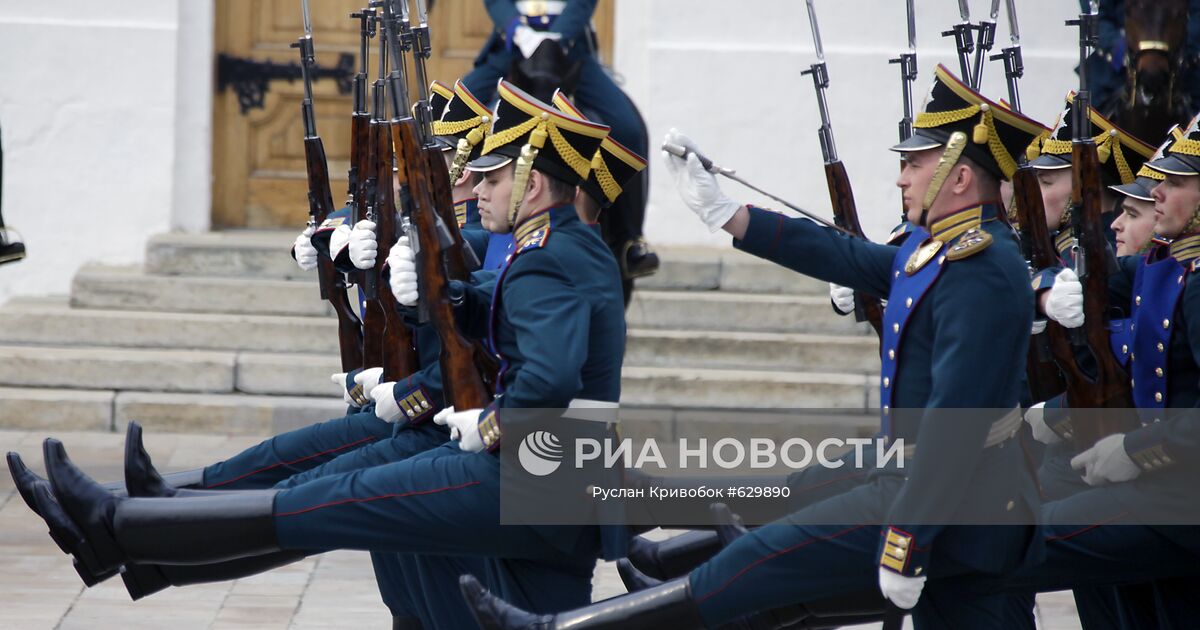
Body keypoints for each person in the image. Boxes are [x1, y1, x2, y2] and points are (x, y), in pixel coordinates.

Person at [461, 63, 1047, 629]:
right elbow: (849, 256)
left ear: (960, 174)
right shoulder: (948, 251)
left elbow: (955, 424)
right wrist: (730, 214)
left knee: (761, 560)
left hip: (962, 504)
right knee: (780, 547)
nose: (901, 177)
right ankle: (657, 578)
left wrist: (908, 539)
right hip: (940, 490)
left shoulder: (982, 266)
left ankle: (561, 624)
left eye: (914, 165)